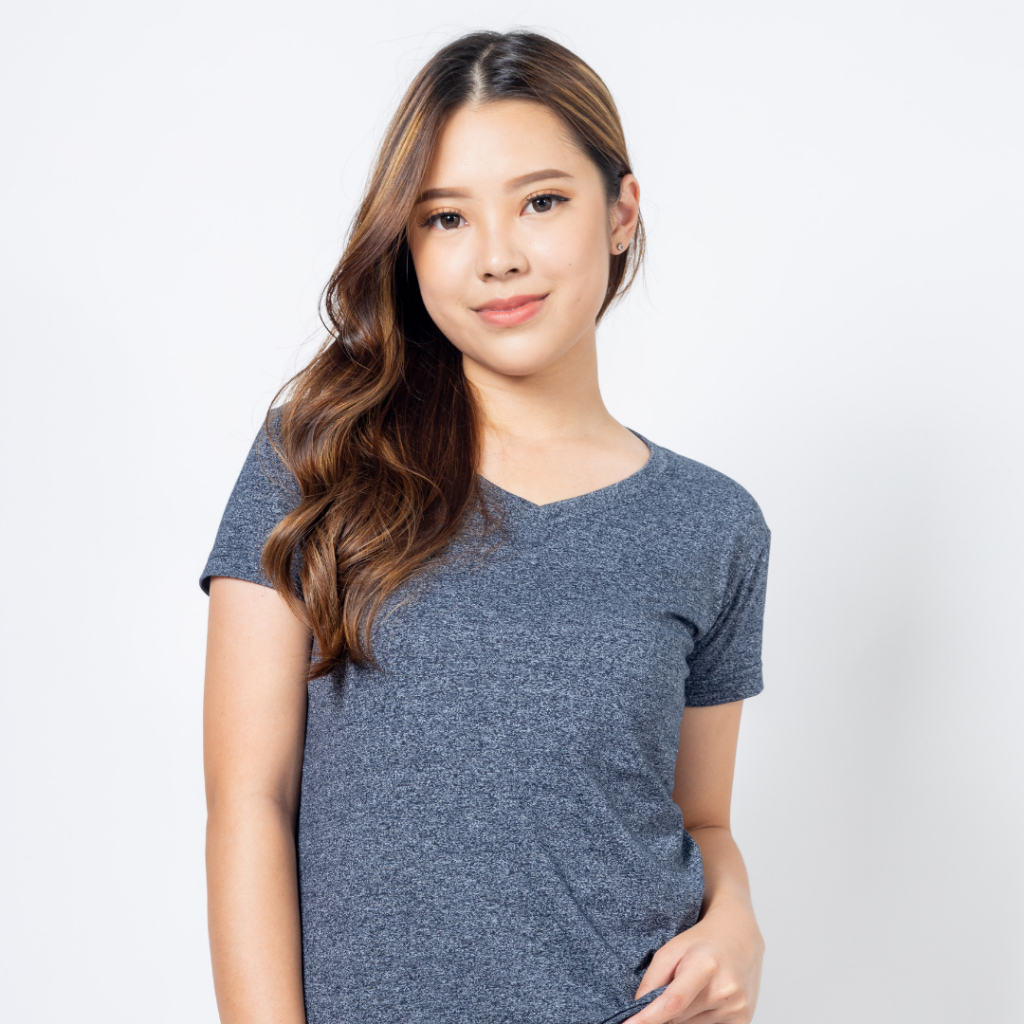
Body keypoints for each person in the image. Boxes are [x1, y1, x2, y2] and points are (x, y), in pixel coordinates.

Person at [200, 29, 770, 1024]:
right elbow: (249, 801)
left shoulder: (711, 522)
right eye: (447, 217)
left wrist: (738, 923)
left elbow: (701, 819)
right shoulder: (316, 459)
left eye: (541, 201)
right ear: (409, 244)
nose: (499, 256)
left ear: (620, 213)